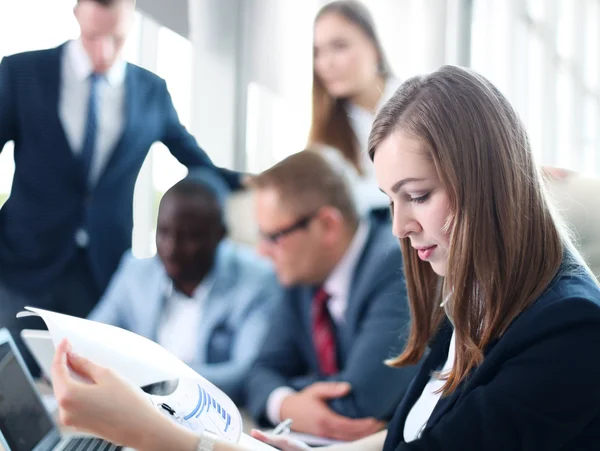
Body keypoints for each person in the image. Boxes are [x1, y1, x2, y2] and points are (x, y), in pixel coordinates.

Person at [49, 65, 600, 451]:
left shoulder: (572, 331)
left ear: (486, 180)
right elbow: (410, 434)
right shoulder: (473, 303)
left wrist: (159, 436)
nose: (402, 228)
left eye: (419, 195)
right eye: (391, 201)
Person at [0, 0, 241, 373]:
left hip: (100, 271)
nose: (104, 52)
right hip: (24, 262)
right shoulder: (22, 72)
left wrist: (248, 184)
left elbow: (193, 158)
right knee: (13, 389)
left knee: (85, 381)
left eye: (117, 38)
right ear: (77, 13)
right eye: (95, 36)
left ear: (131, 20)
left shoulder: (151, 91)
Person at [244, 151, 416, 440]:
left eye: (273, 237)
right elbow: (260, 372)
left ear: (327, 226)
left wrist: (287, 392)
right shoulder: (303, 275)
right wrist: (287, 405)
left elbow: (361, 402)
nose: (261, 252)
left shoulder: (396, 267)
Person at [88, 169, 280, 403]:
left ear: (219, 235)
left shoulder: (257, 282)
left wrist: (157, 381)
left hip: (216, 414)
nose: (171, 248)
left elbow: (246, 371)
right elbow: (91, 337)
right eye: (164, 232)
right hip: (138, 408)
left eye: (189, 237)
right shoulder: (136, 271)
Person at [309, 0, 401, 213]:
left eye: (339, 46)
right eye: (318, 52)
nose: (326, 63)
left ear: (375, 47)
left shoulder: (418, 104)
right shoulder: (327, 132)